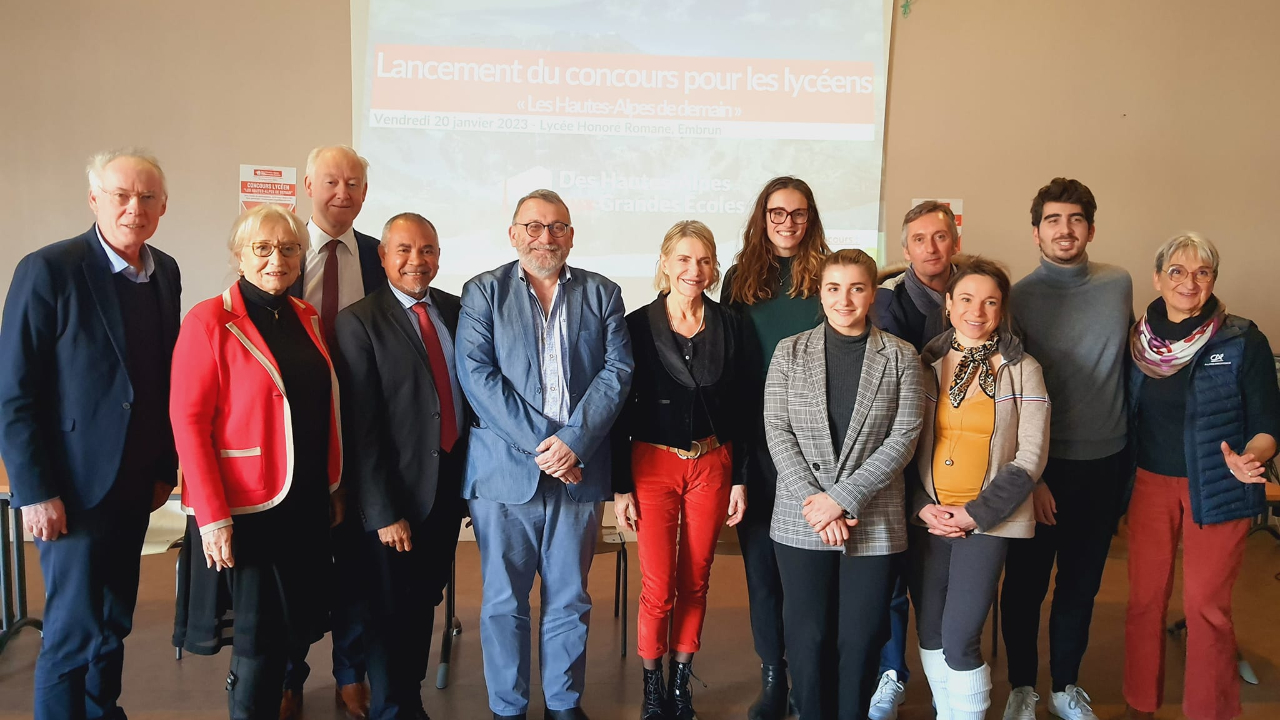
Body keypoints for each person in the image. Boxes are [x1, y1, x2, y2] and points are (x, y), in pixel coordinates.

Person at [0, 150, 181, 720]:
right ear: (94, 199)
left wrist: (163, 468)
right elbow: (14, 391)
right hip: (70, 489)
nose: (135, 207)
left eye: (147, 197)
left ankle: (103, 711)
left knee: (112, 621)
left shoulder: (165, 271)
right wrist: (34, 490)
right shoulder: (49, 268)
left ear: (163, 206)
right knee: (73, 630)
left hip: (133, 487)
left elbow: (162, 377)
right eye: (122, 195)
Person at [455, 189, 633, 720]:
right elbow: (478, 377)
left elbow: (617, 372)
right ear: (514, 234)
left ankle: (563, 703)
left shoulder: (603, 293)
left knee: (570, 599)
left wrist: (573, 442)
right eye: (533, 227)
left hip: (578, 472)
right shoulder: (482, 292)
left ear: (572, 235)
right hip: (505, 474)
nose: (545, 237)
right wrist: (546, 445)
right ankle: (508, 707)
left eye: (557, 227)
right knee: (504, 602)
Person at [170, 204, 343, 720]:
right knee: (259, 643)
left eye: (289, 249)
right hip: (248, 508)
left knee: (291, 635)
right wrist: (211, 516)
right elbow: (188, 422)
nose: (277, 259)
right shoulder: (209, 320)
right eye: (262, 249)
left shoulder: (305, 316)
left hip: (304, 502)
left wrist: (333, 488)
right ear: (238, 255)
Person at [1122, 233, 1279, 720]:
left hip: (1218, 485)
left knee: (1207, 608)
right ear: (1157, 278)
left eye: (1201, 272)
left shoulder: (1241, 338)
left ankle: (1210, 713)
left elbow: (1268, 426)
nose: (1189, 282)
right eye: (1177, 271)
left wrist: (1252, 456)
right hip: (1149, 484)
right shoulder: (1137, 339)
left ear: (1213, 279)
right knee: (1145, 601)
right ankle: (1138, 705)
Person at [764, 249, 924, 720]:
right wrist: (817, 503)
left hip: (872, 521)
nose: (845, 299)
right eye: (834, 288)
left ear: (873, 293)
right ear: (820, 291)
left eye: (856, 288)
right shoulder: (789, 352)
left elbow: (905, 436)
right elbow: (777, 430)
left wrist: (842, 499)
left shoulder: (901, 355)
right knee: (808, 636)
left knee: (860, 638)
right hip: (802, 517)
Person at [999, 178, 1133, 720]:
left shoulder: (1119, 284)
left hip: (1106, 464)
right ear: (1036, 232)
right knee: (1026, 585)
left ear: (1091, 229)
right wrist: (1035, 477)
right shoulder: (1019, 298)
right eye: (1053, 220)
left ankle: (1066, 685)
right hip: (1043, 469)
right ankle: (1023, 688)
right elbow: (1014, 397)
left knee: (1081, 582)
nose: (1064, 229)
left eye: (1075, 219)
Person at [610, 221, 749, 720]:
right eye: (685, 259)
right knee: (658, 584)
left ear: (714, 268)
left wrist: (741, 478)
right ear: (665, 263)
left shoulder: (731, 324)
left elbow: (746, 405)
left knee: (697, 578)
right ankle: (652, 686)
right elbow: (619, 408)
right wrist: (620, 488)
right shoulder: (634, 324)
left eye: (705, 260)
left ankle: (681, 682)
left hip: (714, 463)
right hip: (651, 465)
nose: (695, 270)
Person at [332, 213, 468, 720]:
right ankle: (392, 708)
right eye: (405, 250)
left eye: (428, 249)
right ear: (383, 257)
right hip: (395, 499)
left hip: (448, 490)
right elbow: (361, 427)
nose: (418, 260)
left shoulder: (457, 310)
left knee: (422, 605)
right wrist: (383, 510)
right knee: (388, 613)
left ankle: (407, 702)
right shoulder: (359, 321)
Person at [909, 258, 1050, 720]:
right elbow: (901, 442)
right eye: (966, 299)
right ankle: (948, 711)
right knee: (929, 630)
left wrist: (976, 513)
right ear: (948, 304)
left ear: (1001, 308)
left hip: (990, 519)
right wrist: (922, 506)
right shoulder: (922, 363)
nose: (977, 310)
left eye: (990, 301)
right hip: (930, 515)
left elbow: (1031, 455)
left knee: (961, 634)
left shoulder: (1024, 368)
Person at [720, 176, 830, 720]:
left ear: (812, 218)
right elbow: (733, 370)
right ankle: (774, 677)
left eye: (799, 213)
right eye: (777, 213)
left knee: (810, 573)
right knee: (762, 570)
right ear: (762, 218)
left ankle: (811, 679)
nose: (788, 223)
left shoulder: (831, 275)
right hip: (758, 446)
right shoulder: (741, 279)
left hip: (818, 446)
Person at [284, 144, 384, 720]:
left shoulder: (378, 257)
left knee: (356, 568)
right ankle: (289, 675)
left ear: (364, 193)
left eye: (353, 183)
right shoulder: (282, 251)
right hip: (293, 438)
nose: (342, 193)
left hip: (362, 433)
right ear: (307, 185)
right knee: (295, 566)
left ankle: (351, 672)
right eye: (330, 181)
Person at [867, 200, 964, 720]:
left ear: (956, 242)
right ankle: (891, 672)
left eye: (941, 236)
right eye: (920, 239)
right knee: (891, 577)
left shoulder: (977, 296)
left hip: (958, 457)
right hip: (895, 455)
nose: (931, 247)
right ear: (905, 250)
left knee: (942, 576)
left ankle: (948, 674)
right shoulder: (885, 303)